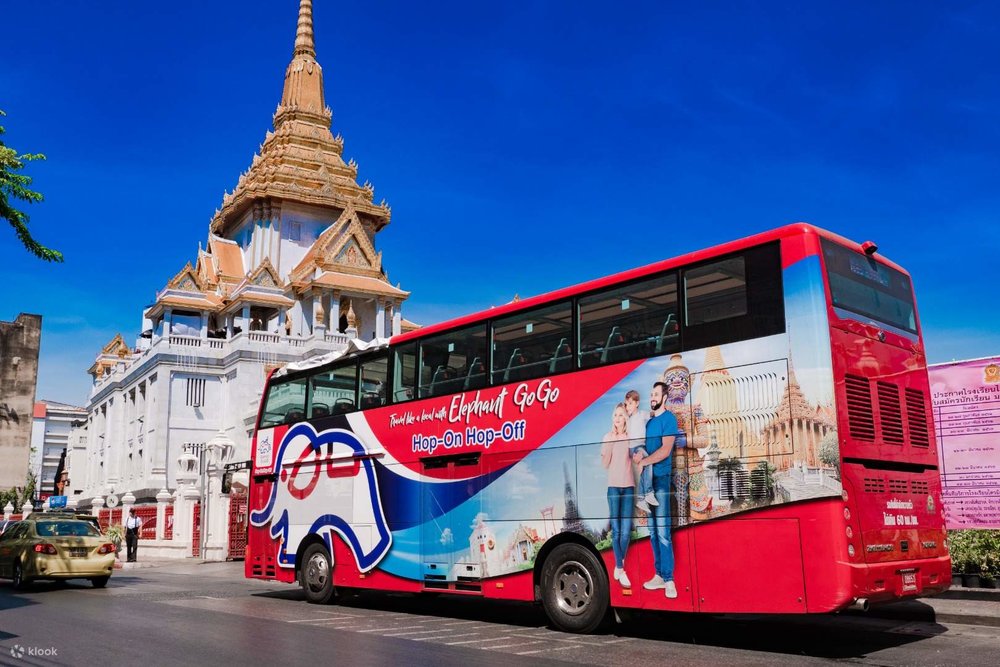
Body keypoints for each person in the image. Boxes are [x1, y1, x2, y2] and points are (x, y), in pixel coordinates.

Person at [634, 381, 679, 598]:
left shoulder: (669, 419)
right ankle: (659, 575)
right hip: (648, 481)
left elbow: (665, 450)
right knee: (653, 532)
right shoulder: (650, 423)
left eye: (655, 394)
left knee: (663, 532)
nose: (651, 397)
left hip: (661, 482)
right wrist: (639, 456)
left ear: (665, 397)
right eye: (650, 394)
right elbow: (648, 449)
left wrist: (646, 461)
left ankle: (669, 580)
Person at [600, 403, 634, 588]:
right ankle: (620, 567)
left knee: (626, 529)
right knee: (617, 529)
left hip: (628, 486)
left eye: (621, 415)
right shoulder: (607, 437)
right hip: (613, 487)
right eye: (615, 415)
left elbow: (635, 458)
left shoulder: (630, 437)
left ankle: (619, 568)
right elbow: (605, 463)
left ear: (625, 419)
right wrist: (611, 444)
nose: (617, 418)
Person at [625, 390, 657, 513]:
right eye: (627, 404)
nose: (628, 406)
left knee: (643, 469)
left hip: (640, 446)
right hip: (633, 447)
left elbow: (654, 413)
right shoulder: (628, 419)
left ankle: (640, 498)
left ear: (637, 403)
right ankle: (648, 492)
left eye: (630, 403)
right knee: (648, 461)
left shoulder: (642, 414)